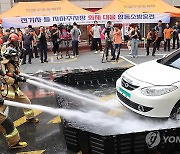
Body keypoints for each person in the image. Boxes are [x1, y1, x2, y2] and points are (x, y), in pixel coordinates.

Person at [0, 34, 39, 123]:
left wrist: (18, 76)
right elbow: (4, 77)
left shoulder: (13, 62)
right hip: (7, 89)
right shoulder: (4, 62)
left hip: (15, 87)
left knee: (26, 101)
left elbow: (16, 64)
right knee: (2, 108)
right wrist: (15, 79)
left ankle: (30, 117)